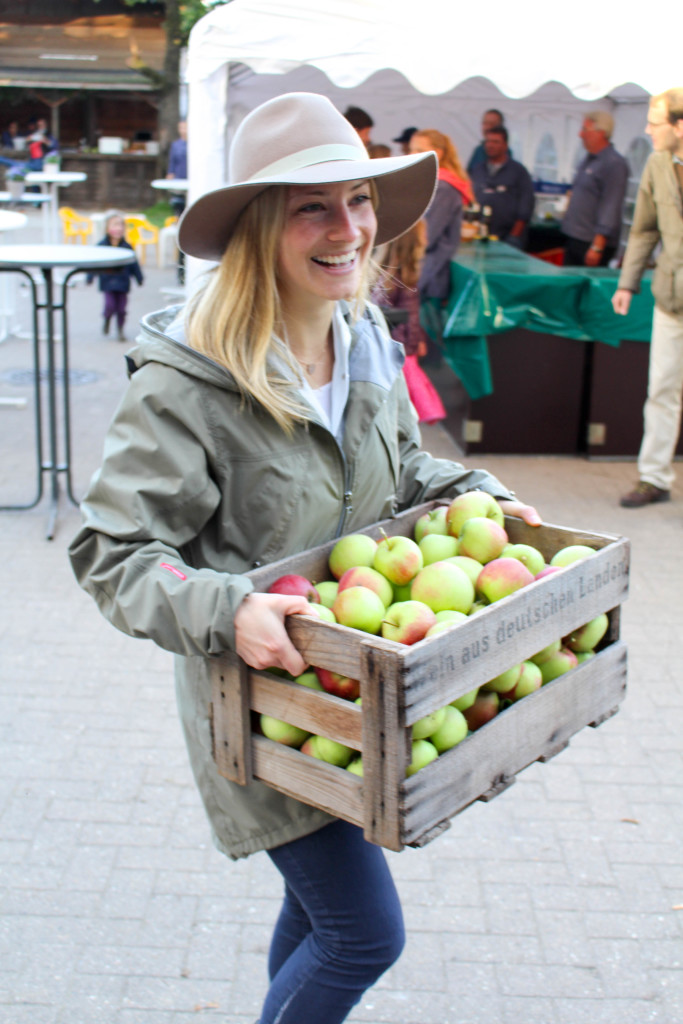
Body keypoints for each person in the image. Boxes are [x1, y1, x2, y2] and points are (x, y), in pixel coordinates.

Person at [68, 92, 540, 1024]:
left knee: (320, 913)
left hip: (356, 691)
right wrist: (225, 609)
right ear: (255, 229)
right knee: (364, 933)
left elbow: (402, 466)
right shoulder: (189, 381)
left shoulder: (361, 333)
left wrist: (471, 492)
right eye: (312, 207)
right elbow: (112, 551)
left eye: (359, 201)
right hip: (262, 703)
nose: (349, 229)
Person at [613, 88, 683, 508]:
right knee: (661, 390)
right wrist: (626, 283)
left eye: (655, 123)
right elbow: (643, 230)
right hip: (670, 301)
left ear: (679, 126)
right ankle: (653, 478)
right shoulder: (657, 165)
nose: (647, 130)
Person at [371, 220, 447, 423]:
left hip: (384, 344)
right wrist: (415, 344)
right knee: (411, 391)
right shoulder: (407, 278)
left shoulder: (379, 272)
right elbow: (411, 316)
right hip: (402, 347)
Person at [561, 110, 628, 267]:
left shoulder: (614, 164)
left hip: (591, 243)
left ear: (601, 133)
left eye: (585, 129)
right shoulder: (588, 160)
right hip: (576, 237)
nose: (580, 134)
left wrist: (598, 246)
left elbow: (611, 205)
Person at [470, 125, 535, 248]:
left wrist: (514, 236)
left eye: (495, 142)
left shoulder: (518, 171)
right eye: (488, 141)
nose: (490, 145)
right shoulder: (477, 170)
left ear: (505, 145)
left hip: (508, 238)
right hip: (480, 237)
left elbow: (526, 206)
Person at [86, 212, 143, 341]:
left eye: (121, 225)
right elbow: (94, 262)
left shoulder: (127, 247)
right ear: (107, 228)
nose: (119, 228)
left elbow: (134, 263)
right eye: (115, 225)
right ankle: (107, 318)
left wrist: (139, 277)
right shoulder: (102, 246)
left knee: (122, 309)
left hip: (123, 283)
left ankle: (120, 329)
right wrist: (90, 276)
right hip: (107, 282)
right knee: (110, 305)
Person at [467, 108, 506, 174]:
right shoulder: (479, 150)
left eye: (491, 124)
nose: (487, 127)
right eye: (485, 123)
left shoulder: (505, 153)